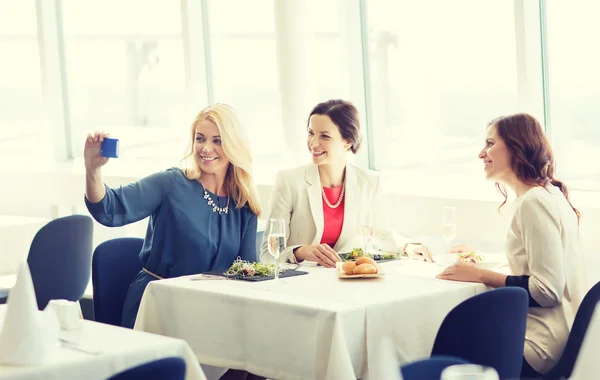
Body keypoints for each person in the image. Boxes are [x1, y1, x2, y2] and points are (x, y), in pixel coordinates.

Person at [436, 113, 588, 377]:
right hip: (561, 336)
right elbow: (538, 265)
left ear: (516, 147)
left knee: (444, 348)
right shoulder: (548, 193)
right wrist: (479, 258)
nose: (481, 154)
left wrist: (480, 275)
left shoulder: (534, 203)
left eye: (490, 143)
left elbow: (547, 291)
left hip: (539, 346)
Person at [84, 103, 261, 329]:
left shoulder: (244, 205)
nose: (206, 148)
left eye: (217, 140)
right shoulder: (171, 183)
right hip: (160, 307)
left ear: (234, 146)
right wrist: (92, 169)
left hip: (213, 312)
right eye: (200, 139)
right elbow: (109, 209)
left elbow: (246, 275)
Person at [260, 99, 426, 267]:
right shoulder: (289, 181)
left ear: (347, 141)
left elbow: (383, 235)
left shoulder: (369, 182)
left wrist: (407, 246)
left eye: (324, 136)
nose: (313, 143)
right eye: (311, 133)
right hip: (301, 282)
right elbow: (268, 253)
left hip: (349, 280)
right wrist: (303, 251)